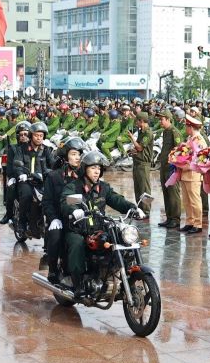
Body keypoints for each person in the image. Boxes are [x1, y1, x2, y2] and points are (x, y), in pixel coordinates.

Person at [61, 151, 139, 291]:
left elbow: (116, 199)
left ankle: (119, 273)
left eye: (99, 168)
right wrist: (74, 210)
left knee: (120, 238)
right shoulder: (73, 186)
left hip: (98, 228)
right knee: (77, 243)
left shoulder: (103, 188)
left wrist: (132, 207)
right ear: (84, 169)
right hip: (78, 229)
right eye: (93, 168)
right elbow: (66, 200)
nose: (97, 172)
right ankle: (77, 283)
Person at [41, 137, 83, 283]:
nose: (77, 157)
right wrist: (53, 218)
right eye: (73, 154)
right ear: (65, 157)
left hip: (79, 218)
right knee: (56, 236)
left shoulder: (84, 177)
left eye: (79, 154)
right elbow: (46, 202)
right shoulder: (53, 177)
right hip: (59, 218)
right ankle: (52, 269)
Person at [9, 122, 54, 234]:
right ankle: (22, 222)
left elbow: (53, 164)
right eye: (36, 135)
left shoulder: (47, 150)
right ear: (31, 136)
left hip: (42, 180)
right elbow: (16, 163)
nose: (39, 138)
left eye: (41, 136)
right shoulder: (22, 148)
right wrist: (21, 174)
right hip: (26, 180)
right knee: (27, 195)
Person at [180, 116, 206, 234]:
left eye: (187, 126)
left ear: (191, 127)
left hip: (193, 174)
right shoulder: (190, 139)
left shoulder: (199, 140)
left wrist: (186, 165)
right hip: (185, 173)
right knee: (186, 201)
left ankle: (197, 223)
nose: (186, 128)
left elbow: (201, 159)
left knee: (195, 200)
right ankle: (189, 222)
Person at [156, 109, 181, 229]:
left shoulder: (174, 132)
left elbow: (179, 149)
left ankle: (175, 218)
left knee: (173, 193)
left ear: (168, 119)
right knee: (166, 192)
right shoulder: (165, 132)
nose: (160, 121)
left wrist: (174, 165)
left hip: (171, 167)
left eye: (162, 119)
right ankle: (169, 217)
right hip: (164, 166)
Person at [130, 112, 153, 214]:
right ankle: (140, 210)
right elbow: (138, 148)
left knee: (145, 188)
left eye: (137, 121)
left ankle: (146, 211)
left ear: (142, 121)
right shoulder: (141, 131)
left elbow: (140, 147)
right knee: (138, 188)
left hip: (143, 164)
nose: (136, 123)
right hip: (137, 162)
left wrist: (131, 138)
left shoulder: (148, 133)